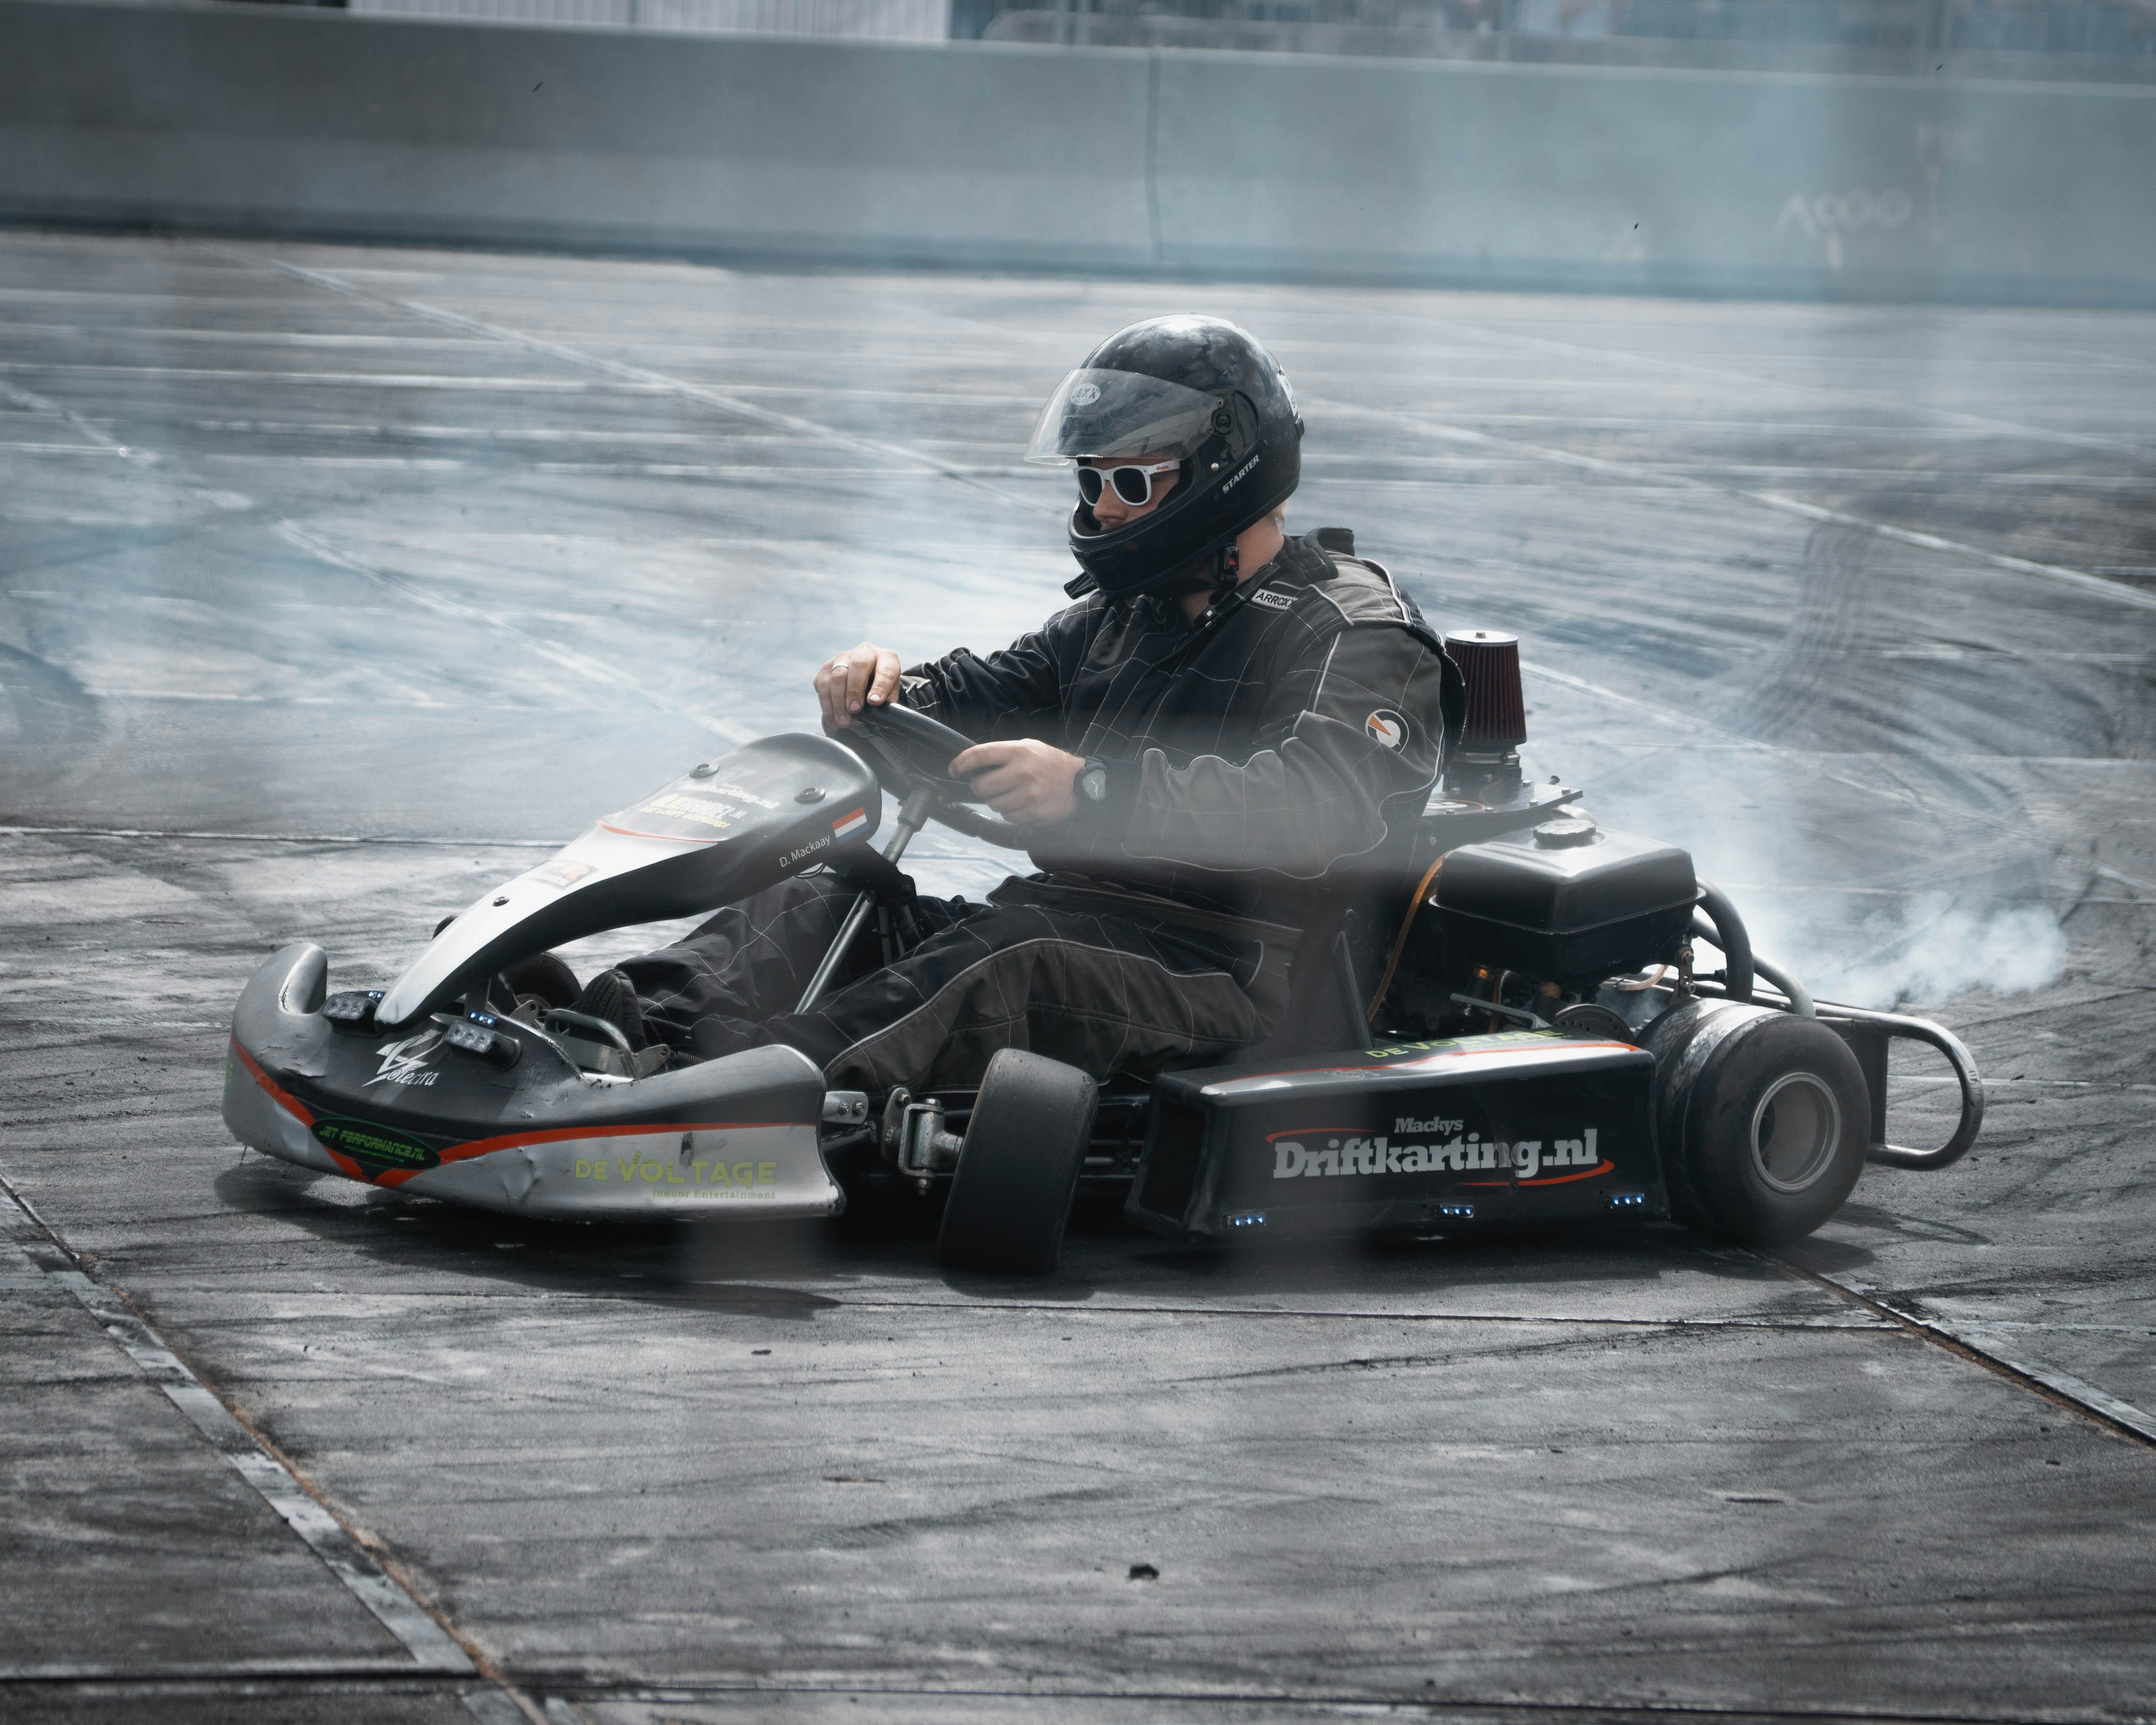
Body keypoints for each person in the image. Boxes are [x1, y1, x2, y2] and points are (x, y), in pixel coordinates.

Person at [552, 315, 1462, 1096]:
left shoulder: (1353, 630)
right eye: (1092, 481)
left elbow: (1325, 807)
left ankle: (732, 1096)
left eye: (1131, 483)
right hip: (1065, 921)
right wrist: (881, 689)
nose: (1105, 509)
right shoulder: (1120, 620)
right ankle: (608, 1037)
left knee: (1007, 959)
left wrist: (1095, 792)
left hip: (1227, 966)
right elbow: (981, 693)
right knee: (820, 897)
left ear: (1224, 470)